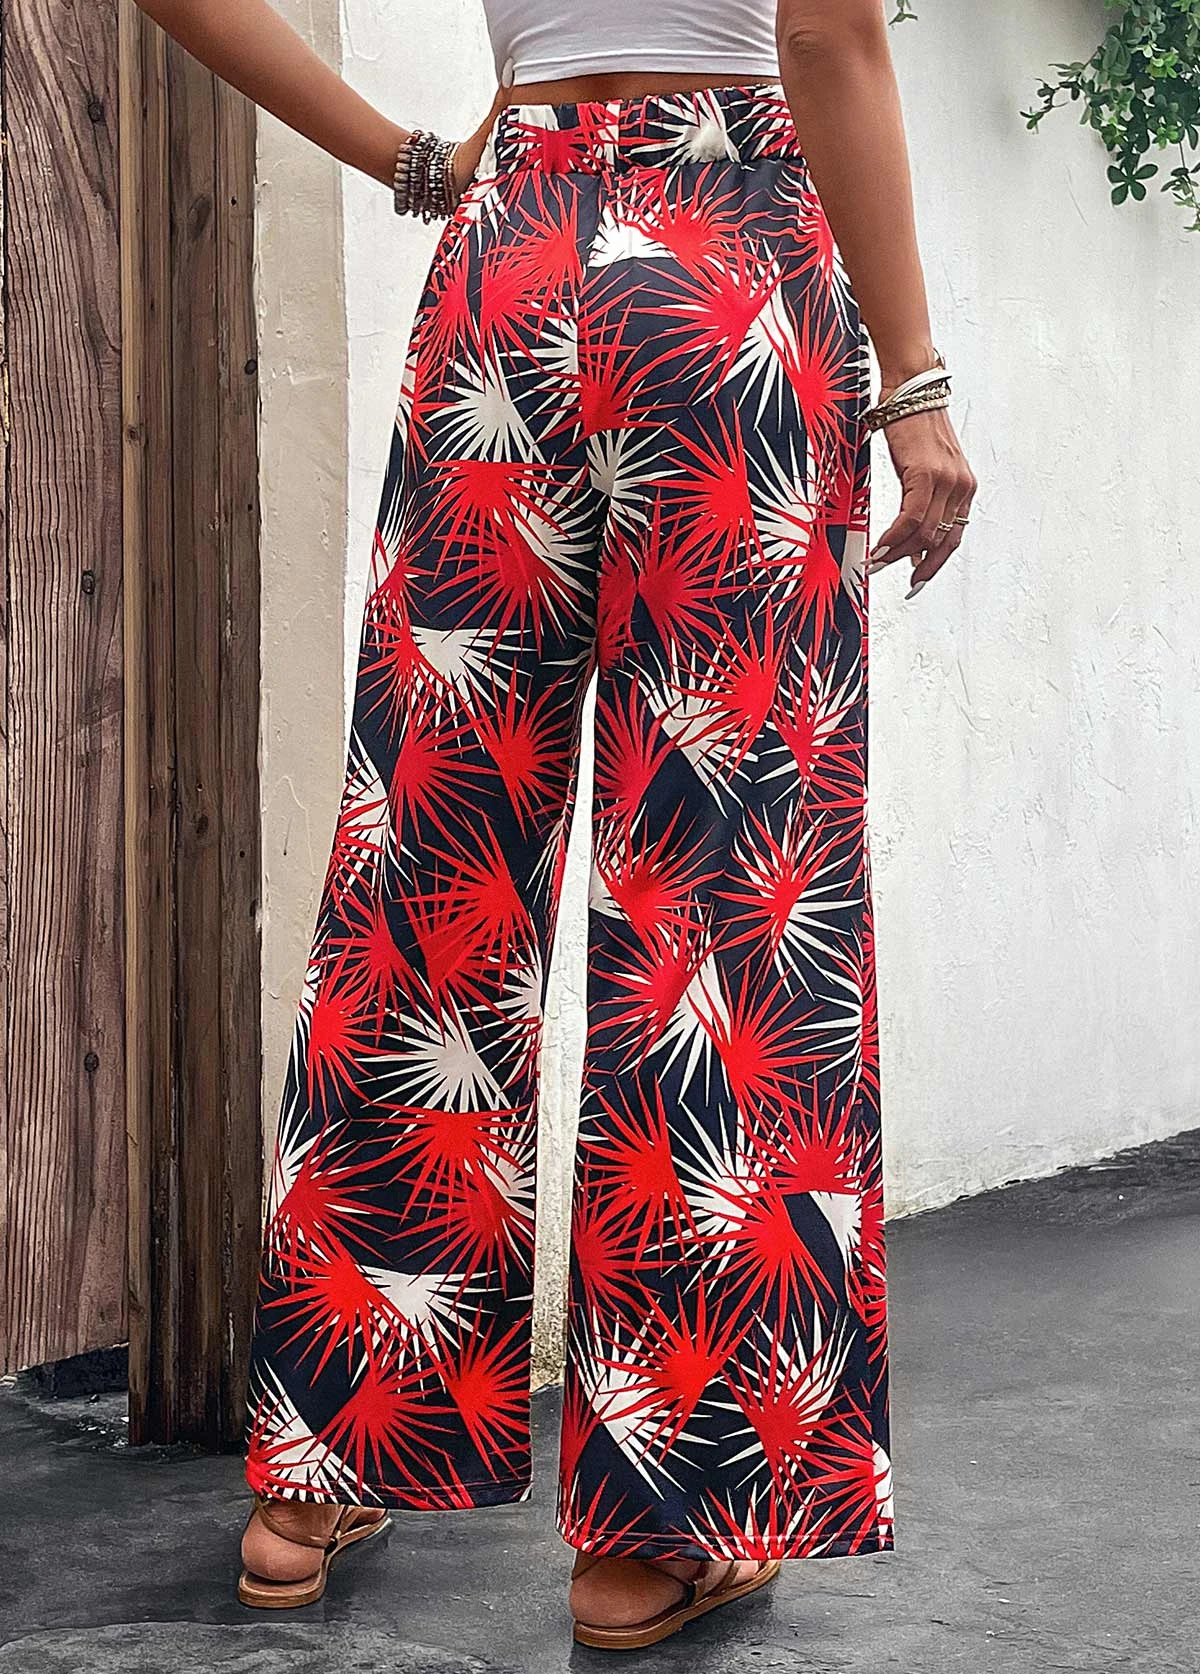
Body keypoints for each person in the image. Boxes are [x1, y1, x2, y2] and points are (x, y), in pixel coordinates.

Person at [137, 0, 975, 1648]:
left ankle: (323, 1462)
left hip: (504, 271)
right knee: (722, 904)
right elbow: (827, 34)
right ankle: (658, 1526)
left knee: (429, 868)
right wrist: (917, 382)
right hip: (726, 279)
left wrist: (413, 161)